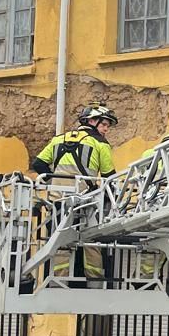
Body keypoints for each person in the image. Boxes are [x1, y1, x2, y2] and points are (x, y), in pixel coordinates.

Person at [30, 102, 118, 283]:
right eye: (104, 124)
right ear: (92, 120)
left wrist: (53, 182)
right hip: (85, 201)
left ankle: (58, 280)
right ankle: (95, 281)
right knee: (92, 241)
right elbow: (110, 176)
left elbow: (38, 164)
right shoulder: (100, 143)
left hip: (57, 200)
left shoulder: (58, 139)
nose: (106, 129)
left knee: (59, 241)